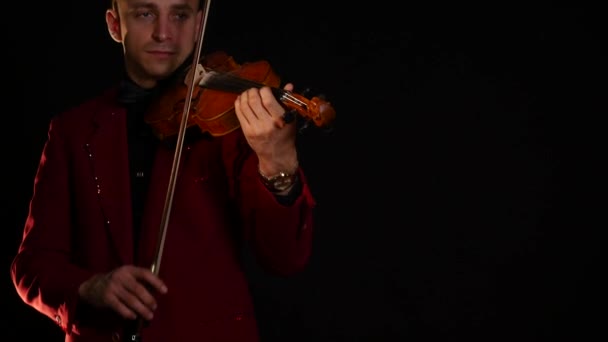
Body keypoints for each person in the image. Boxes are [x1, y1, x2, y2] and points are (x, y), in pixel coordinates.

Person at [10, 0, 317, 341]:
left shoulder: (231, 125)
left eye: (180, 15)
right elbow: (33, 265)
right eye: (145, 13)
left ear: (199, 24)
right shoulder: (72, 130)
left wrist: (279, 165)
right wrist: (89, 287)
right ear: (115, 25)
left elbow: (284, 258)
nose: (164, 32)